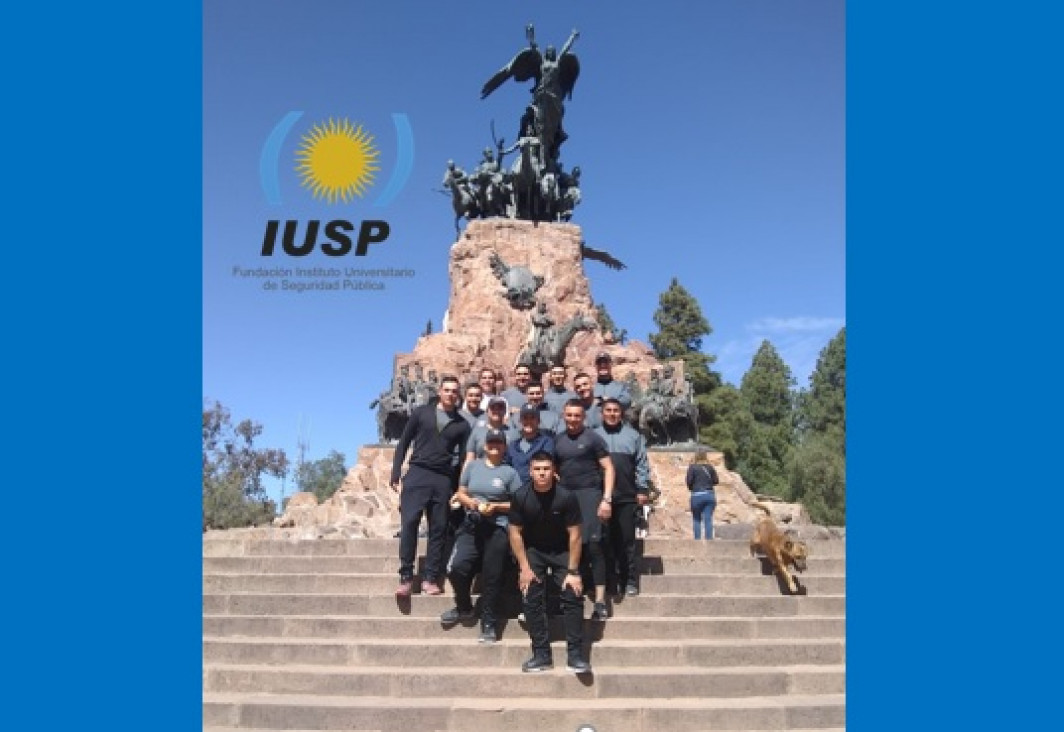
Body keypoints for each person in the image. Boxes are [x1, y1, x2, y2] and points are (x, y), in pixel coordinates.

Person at [508, 451, 591, 674]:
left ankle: (575, 655)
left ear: (554, 471)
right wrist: (524, 568)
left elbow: (575, 535)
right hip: (534, 550)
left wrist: (573, 571)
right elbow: (515, 533)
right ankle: (541, 654)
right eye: (537, 469)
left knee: (573, 593)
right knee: (531, 594)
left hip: (562, 549)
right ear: (530, 471)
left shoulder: (566, 497)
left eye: (546, 469)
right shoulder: (520, 496)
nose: (542, 473)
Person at [390, 375, 471, 597]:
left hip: (443, 479)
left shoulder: (462, 425)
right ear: (440, 391)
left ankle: (430, 578)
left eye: (455, 391)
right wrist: (396, 473)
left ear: (458, 395)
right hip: (417, 474)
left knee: (438, 530)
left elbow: (465, 458)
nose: (451, 394)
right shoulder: (421, 413)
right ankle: (406, 577)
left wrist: (461, 487)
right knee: (409, 524)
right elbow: (403, 442)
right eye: (447, 390)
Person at [442, 428, 521, 643]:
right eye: (491, 442)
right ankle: (464, 607)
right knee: (455, 568)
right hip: (471, 525)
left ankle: (489, 621)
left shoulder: (509, 473)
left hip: (498, 527)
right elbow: (461, 491)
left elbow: (517, 503)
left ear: (504, 447)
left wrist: (495, 507)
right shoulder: (473, 466)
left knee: (492, 576)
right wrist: (471, 503)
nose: (494, 446)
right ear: (485, 445)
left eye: (499, 443)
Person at [554, 398, 614, 621]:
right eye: (569, 415)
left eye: (577, 415)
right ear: (563, 415)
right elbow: (554, 469)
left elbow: (609, 468)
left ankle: (599, 601)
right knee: (568, 548)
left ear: (583, 417)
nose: (572, 420)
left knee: (595, 546)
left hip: (591, 495)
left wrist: (606, 499)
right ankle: (570, 597)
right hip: (567, 498)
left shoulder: (593, 438)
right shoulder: (558, 441)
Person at [594, 398, 649, 597]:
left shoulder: (634, 436)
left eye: (616, 410)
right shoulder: (594, 436)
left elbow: (642, 464)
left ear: (621, 413)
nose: (612, 414)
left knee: (627, 541)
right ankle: (612, 581)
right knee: (604, 541)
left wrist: (642, 489)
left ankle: (630, 580)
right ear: (602, 413)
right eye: (608, 410)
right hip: (601, 497)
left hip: (626, 495)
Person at [506, 404, 556, 484]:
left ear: (538, 421)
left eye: (532, 418)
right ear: (520, 421)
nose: (529, 421)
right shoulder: (513, 446)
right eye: (525, 418)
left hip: (538, 489)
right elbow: (507, 468)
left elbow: (545, 465)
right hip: (515, 491)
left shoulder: (546, 442)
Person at [465, 396, 514, 462]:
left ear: (505, 411)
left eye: (500, 408)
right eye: (493, 408)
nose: (496, 411)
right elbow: (470, 458)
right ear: (487, 411)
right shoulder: (477, 431)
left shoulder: (513, 433)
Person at [687, 450, 720, 540]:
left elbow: (689, 481)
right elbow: (716, 481)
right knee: (708, 519)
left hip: (697, 495)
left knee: (696, 519)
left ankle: (697, 542)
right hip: (709, 495)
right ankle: (709, 541)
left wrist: (693, 487)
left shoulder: (692, 468)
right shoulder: (710, 467)